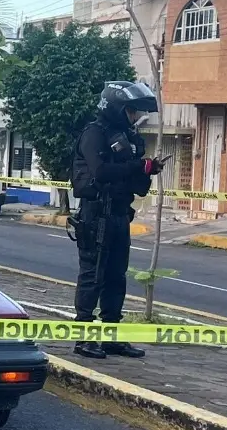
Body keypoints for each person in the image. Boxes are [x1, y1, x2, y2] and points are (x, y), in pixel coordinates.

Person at [69, 80, 166, 360]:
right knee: (92, 276)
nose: (135, 116)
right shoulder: (94, 134)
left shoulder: (128, 137)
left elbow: (134, 179)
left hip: (120, 215)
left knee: (116, 278)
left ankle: (111, 337)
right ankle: (84, 338)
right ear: (116, 108)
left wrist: (149, 169)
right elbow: (100, 171)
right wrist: (138, 166)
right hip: (95, 214)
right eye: (131, 111)